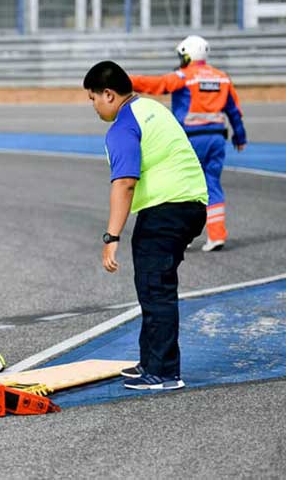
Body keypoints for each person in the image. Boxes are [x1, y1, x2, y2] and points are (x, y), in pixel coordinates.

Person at [84, 60, 207, 391]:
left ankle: (164, 373)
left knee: (156, 289)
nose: (92, 105)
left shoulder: (123, 127)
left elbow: (124, 183)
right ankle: (151, 362)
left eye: (92, 97)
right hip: (189, 204)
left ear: (108, 94)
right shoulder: (150, 107)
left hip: (167, 210)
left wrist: (111, 237)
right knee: (153, 285)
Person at [129, 35, 247, 251]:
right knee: (212, 184)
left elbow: (156, 85)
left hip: (191, 140)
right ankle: (217, 235)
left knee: (184, 187)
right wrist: (240, 137)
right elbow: (234, 110)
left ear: (187, 55)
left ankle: (184, 235)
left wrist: (127, 80)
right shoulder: (222, 77)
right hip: (217, 140)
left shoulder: (184, 76)